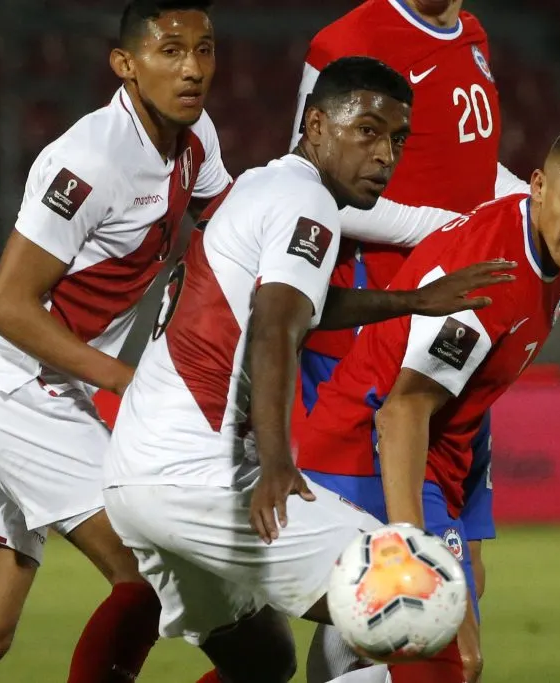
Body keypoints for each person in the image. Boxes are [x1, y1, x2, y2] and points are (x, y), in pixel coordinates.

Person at [101, 56, 514, 683]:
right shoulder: (309, 204)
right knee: (426, 615)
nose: (386, 155)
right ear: (316, 125)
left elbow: (300, 304)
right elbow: (275, 326)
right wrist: (274, 464)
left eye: (398, 139)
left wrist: (410, 301)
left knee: (264, 660)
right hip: (202, 474)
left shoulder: (262, 189)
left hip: (135, 477)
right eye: (368, 131)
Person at [289, 2, 560, 682]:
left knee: (420, 642)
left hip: (427, 444)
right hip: (364, 441)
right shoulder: (490, 279)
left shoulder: (553, 256)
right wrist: (411, 551)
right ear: (542, 188)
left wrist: (472, 520)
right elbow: (402, 410)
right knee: (444, 650)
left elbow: (473, 394)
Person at [0, 2, 232, 681]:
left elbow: (231, 228)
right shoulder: (90, 157)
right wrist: (128, 380)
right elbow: (10, 304)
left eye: (205, 49)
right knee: (151, 570)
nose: (192, 68)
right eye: (170, 51)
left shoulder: (196, 138)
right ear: (126, 65)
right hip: (13, 388)